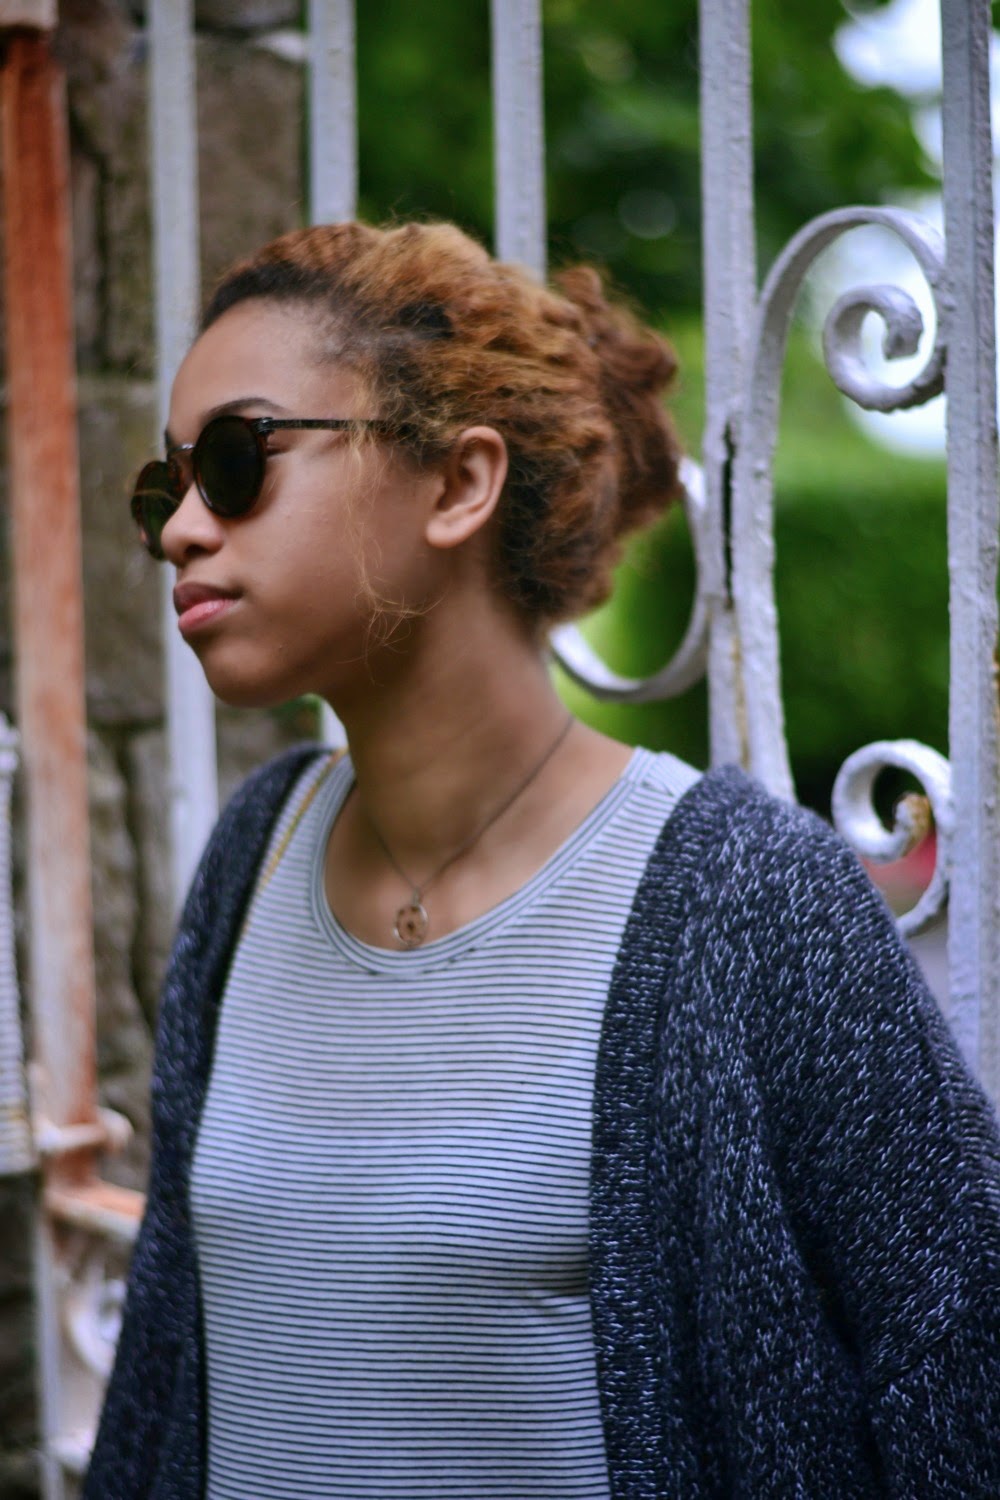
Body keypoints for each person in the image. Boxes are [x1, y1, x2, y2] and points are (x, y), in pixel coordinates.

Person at [86, 220, 1000, 1500]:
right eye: (163, 489)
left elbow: (957, 1377)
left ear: (458, 484)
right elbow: (161, 1378)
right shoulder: (257, 850)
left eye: (237, 462)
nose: (183, 529)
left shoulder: (743, 899)